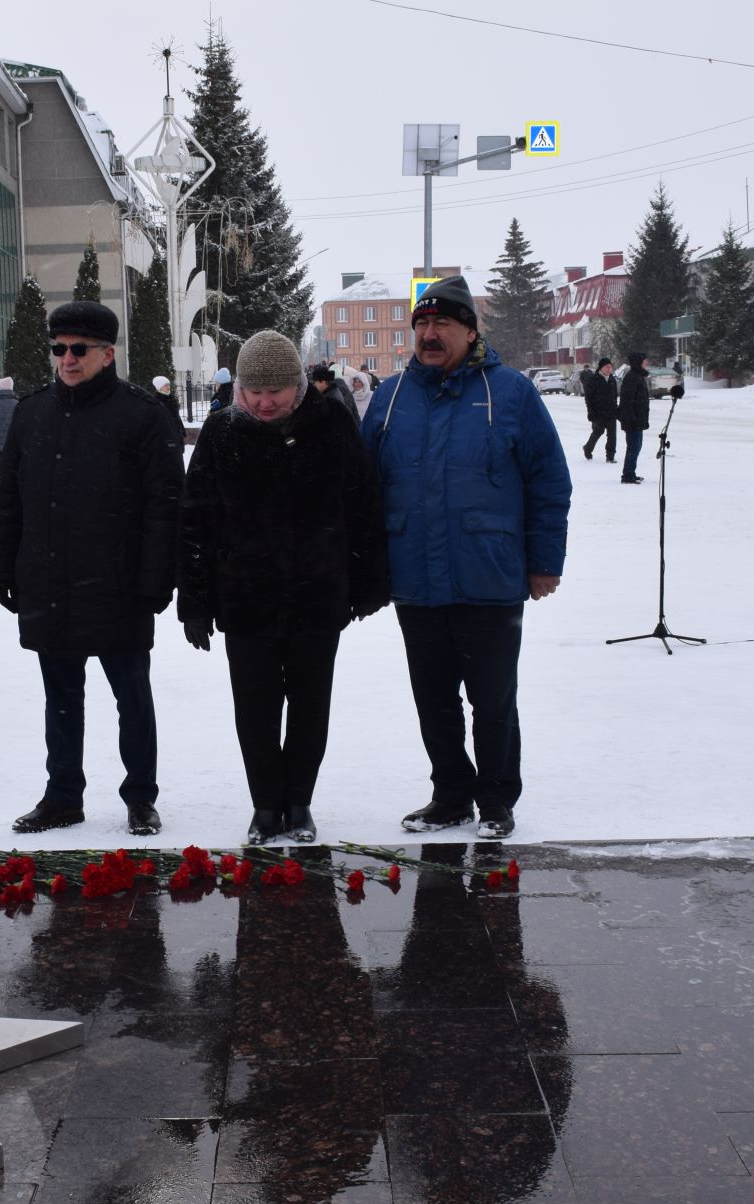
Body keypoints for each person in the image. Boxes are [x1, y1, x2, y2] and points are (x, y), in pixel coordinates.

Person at [362, 274, 571, 840]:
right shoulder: (391, 398)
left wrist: (544, 561)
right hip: (415, 578)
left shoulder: (511, 394)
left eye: (443, 324)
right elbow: (361, 487)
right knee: (434, 699)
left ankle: (497, 800)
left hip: (490, 573)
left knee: (493, 700)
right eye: (422, 324)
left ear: (470, 330)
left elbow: (548, 481)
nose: (430, 334)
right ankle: (450, 795)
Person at [179, 330, 389, 846]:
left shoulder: (331, 423)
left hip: (318, 595)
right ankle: (264, 806)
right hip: (245, 598)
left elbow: (362, 506)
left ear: (297, 385)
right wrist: (195, 601)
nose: (265, 402)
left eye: (275, 391)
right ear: (240, 390)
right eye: (254, 392)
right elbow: (195, 520)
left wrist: (365, 583)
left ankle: (299, 803)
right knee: (255, 707)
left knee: (310, 707)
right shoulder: (221, 432)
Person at [0, 299, 184, 837]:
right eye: (59, 349)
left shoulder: (142, 415)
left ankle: (141, 796)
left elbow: (164, 507)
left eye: (78, 349)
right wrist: (1, 565)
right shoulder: (31, 413)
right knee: (61, 698)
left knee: (132, 698)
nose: (67, 359)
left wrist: (154, 581)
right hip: (49, 580)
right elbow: (9, 499)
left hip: (118, 587)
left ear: (107, 353)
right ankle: (63, 795)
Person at [617, 350, 651, 484]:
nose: (646, 363)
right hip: (633, 421)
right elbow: (627, 401)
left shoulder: (638, 376)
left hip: (638, 420)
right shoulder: (632, 377)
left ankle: (631, 472)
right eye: (644, 361)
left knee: (637, 447)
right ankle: (627, 475)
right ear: (638, 363)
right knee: (633, 447)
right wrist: (630, 420)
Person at [581, 356, 618, 463]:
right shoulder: (594, 379)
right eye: (607, 367)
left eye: (610, 367)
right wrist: (591, 412)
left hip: (611, 412)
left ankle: (610, 456)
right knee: (597, 432)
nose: (609, 369)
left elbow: (615, 396)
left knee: (612, 435)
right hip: (599, 412)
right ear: (601, 368)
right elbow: (589, 398)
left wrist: (616, 409)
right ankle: (588, 448)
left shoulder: (612, 379)